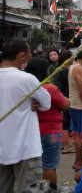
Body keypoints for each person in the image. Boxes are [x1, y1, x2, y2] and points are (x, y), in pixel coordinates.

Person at [0, 39, 51, 193]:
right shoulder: (26, 79)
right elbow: (46, 103)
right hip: (26, 147)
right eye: (29, 55)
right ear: (21, 55)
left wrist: (34, 102)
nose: (30, 58)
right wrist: (36, 102)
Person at [24, 57, 70, 186]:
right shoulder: (49, 88)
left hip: (30, 132)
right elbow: (65, 105)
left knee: (29, 168)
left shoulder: (23, 88)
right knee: (49, 166)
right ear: (45, 71)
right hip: (51, 132)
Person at [54, 50, 76, 154]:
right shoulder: (64, 71)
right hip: (65, 98)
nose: (73, 59)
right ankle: (66, 146)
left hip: (64, 97)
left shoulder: (61, 70)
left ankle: (64, 145)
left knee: (65, 122)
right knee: (66, 123)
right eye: (71, 57)